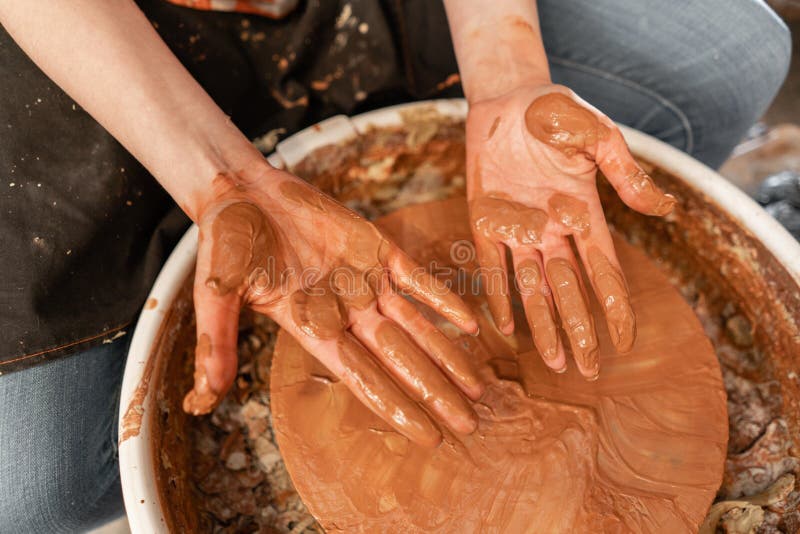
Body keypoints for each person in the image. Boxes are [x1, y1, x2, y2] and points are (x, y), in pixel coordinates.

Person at [0, 0, 790, 531]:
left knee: (730, 54)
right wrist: (221, 178)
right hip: (102, 39)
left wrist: (508, 75)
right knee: (25, 480)